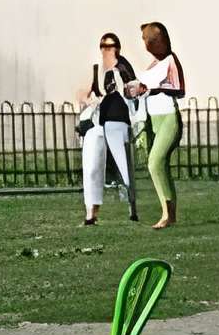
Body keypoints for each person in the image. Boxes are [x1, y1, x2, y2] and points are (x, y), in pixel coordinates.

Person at [75, 33, 139, 225]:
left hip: (118, 122)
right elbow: (83, 92)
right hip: (98, 123)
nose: (107, 49)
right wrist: (90, 100)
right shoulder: (97, 70)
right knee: (92, 165)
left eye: (111, 46)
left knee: (124, 167)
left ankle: (132, 208)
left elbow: (133, 92)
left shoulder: (123, 68)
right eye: (104, 46)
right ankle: (91, 213)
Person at [130, 20, 186, 230]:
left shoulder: (171, 61)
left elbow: (180, 89)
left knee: (155, 162)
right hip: (153, 117)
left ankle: (167, 215)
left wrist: (153, 88)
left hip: (168, 117)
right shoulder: (154, 64)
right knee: (159, 166)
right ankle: (169, 213)